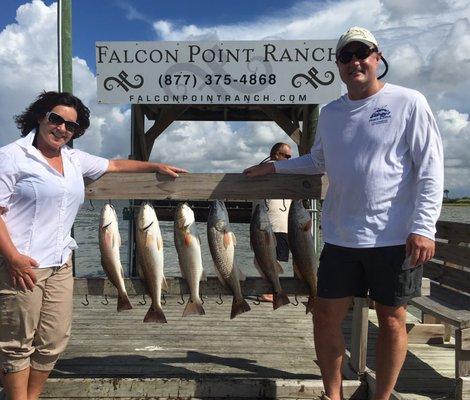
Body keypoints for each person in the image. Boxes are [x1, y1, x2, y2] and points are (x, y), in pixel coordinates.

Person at [244, 27, 443, 400]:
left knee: (392, 320)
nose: (355, 61)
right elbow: (318, 160)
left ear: (377, 57)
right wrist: (273, 168)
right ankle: (332, 395)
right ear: (338, 65)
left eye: (362, 53)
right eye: (346, 56)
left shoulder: (409, 101)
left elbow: (431, 167)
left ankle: (382, 396)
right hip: (340, 237)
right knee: (324, 315)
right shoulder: (331, 112)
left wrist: (424, 227)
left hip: (396, 237)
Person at [0, 91, 187, 400]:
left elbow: (113, 164)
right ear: (39, 116)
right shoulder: (11, 156)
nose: (61, 129)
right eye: (56, 119)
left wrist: (154, 165)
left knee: (54, 340)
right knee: (17, 342)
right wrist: (14, 258)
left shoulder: (73, 158)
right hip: (23, 266)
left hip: (61, 264)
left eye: (70, 126)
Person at [255, 143, 293, 302]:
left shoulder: (286, 171)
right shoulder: (265, 169)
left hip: (281, 223)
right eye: (288, 156)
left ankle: (273, 290)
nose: (290, 159)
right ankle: (272, 290)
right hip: (270, 223)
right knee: (265, 259)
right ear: (277, 154)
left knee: (271, 259)